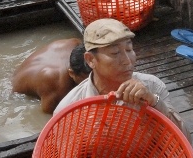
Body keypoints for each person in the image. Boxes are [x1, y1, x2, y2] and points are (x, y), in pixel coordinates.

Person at [53, 19, 185, 133]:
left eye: (129, 49)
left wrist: (154, 102)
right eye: (115, 53)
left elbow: (184, 141)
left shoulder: (152, 86)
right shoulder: (68, 109)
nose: (127, 60)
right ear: (90, 60)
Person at [11, 38, 90, 114]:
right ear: (72, 74)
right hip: (17, 89)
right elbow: (50, 115)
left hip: (38, 65)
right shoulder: (57, 83)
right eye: (87, 80)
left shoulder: (77, 44)